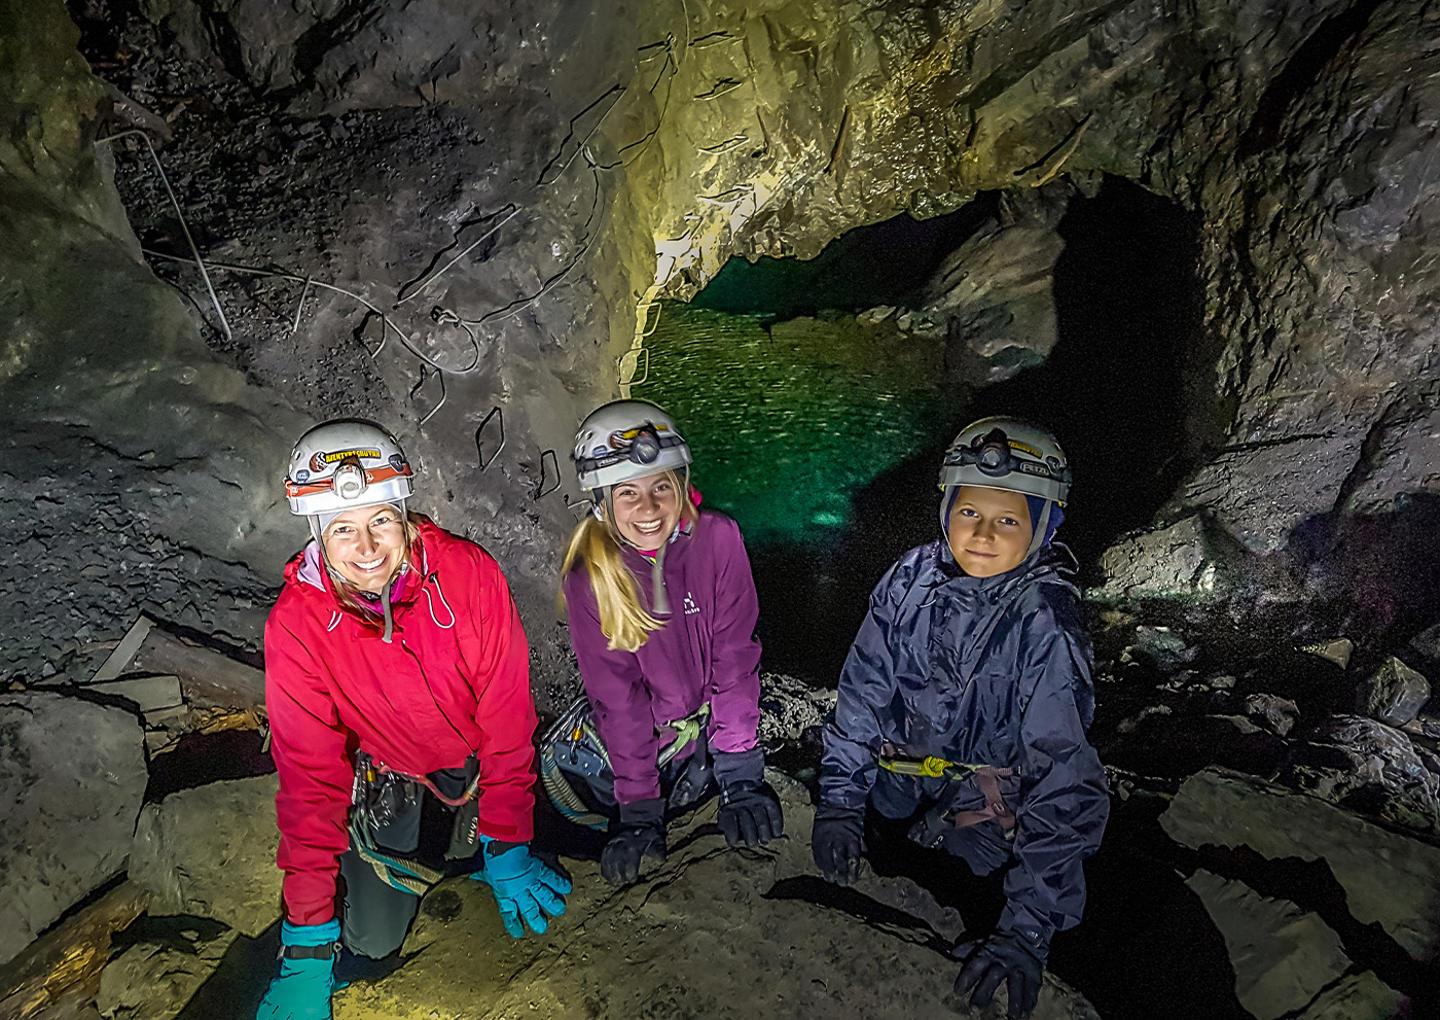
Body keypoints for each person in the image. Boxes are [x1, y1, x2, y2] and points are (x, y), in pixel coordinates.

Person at [257, 420, 570, 1020]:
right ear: (316, 534)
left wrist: (507, 837)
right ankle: (387, 858)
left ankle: (485, 839)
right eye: (343, 529)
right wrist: (306, 944)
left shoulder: (465, 574)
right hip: (393, 771)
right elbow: (310, 784)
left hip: (478, 763)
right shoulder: (297, 626)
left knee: (528, 851)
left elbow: (506, 715)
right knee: (371, 941)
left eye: (380, 521)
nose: (368, 547)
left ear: (404, 513)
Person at [811, 417, 1109, 1020]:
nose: (983, 534)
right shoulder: (909, 580)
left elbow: (1062, 779)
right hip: (898, 782)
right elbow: (862, 696)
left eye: (1008, 520)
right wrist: (840, 800)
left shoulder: (1043, 626)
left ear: (1042, 527)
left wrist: (1025, 931)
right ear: (947, 507)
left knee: (966, 896)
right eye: (969, 512)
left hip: (986, 807)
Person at [545, 399, 782, 886]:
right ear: (601, 503)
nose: (648, 508)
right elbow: (619, 700)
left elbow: (734, 656)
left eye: (660, 487)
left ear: (681, 484)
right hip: (643, 742)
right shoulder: (591, 578)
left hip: (698, 728)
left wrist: (739, 770)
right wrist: (640, 809)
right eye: (627, 492)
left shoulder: (718, 539)